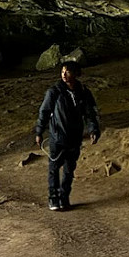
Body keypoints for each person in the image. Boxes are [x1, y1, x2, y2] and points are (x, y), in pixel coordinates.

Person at [35, 60, 101, 211]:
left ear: (76, 74)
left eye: (68, 72)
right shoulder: (54, 92)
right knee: (54, 168)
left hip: (75, 137)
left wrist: (94, 130)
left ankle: (64, 198)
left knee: (69, 169)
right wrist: (39, 131)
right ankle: (53, 199)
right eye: (62, 71)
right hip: (57, 137)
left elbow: (90, 113)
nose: (64, 75)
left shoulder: (83, 92)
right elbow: (44, 112)